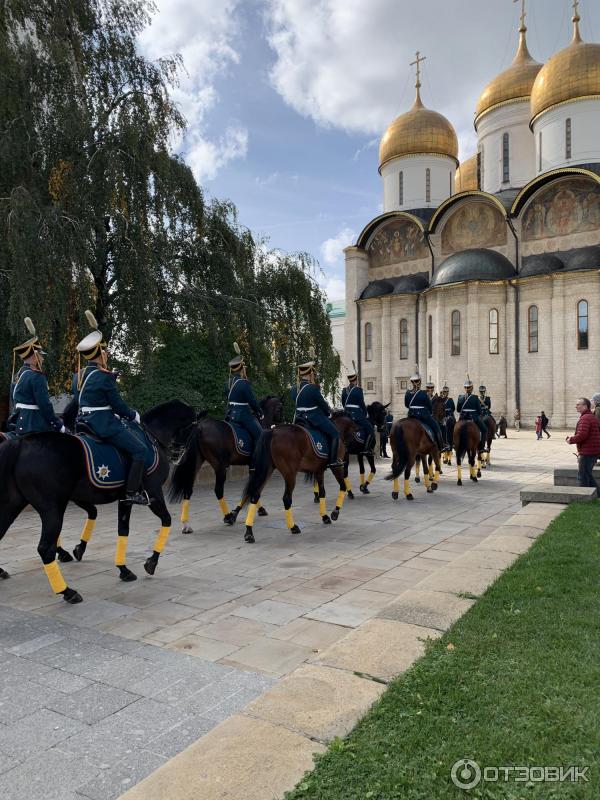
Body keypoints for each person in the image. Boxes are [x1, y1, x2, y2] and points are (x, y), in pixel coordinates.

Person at [74, 314, 147, 504]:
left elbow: (85, 401)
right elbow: (118, 405)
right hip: (103, 424)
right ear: (100, 353)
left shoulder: (78, 376)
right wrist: (133, 415)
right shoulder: (104, 376)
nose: (107, 354)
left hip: (82, 422)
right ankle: (132, 492)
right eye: (105, 351)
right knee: (140, 450)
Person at [11, 317, 64, 435]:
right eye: (41, 355)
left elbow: (13, 399)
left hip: (19, 424)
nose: (43, 358)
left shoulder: (17, 376)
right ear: (35, 357)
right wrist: (57, 423)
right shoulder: (37, 376)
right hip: (34, 424)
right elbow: (44, 404)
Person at [291, 360, 344, 469]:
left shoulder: (293, 388)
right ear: (310, 373)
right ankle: (333, 461)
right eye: (313, 374)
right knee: (335, 433)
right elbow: (322, 404)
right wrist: (328, 414)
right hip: (313, 417)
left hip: (298, 417)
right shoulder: (313, 388)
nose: (314, 376)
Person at [225, 344, 264, 459]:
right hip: (243, 415)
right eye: (244, 367)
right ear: (242, 368)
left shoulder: (228, 383)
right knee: (259, 435)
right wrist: (259, 412)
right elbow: (251, 401)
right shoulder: (244, 383)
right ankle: (255, 463)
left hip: (230, 414)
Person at [404, 371, 446, 452]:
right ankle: (441, 446)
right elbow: (429, 406)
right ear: (420, 381)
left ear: (411, 382)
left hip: (410, 415)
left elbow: (406, 405)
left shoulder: (407, 393)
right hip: (422, 415)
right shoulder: (423, 393)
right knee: (436, 426)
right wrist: (429, 413)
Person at [566, 398, 600, 492]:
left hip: (588, 452)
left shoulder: (585, 418)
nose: (576, 406)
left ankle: (583, 496)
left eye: (578, 404)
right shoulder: (591, 417)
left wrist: (571, 440)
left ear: (585, 406)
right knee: (587, 474)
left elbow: (582, 435)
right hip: (593, 451)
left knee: (583, 476)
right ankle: (597, 495)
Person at [341, 368, 374, 455]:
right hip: (356, 415)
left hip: (347, 414)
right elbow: (361, 403)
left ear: (349, 379)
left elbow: (343, 403)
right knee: (370, 429)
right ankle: (367, 449)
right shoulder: (358, 390)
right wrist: (366, 413)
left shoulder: (344, 390)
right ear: (356, 379)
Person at [457, 377, 487, 451]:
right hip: (473, 417)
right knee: (484, 430)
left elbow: (458, 409)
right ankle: (482, 447)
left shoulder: (460, 397)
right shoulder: (475, 397)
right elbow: (479, 411)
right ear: (472, 388)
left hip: (463, 417)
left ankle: (454, 443)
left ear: (465, 388)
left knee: (455, 429)